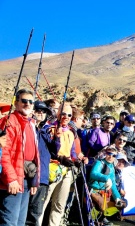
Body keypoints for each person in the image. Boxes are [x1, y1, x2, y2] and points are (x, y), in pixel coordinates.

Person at [0, 89, 40, 226]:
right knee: (9, 220)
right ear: (16, 103)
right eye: (24, 101)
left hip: (27, 179)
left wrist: (35, 180)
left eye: (31, 102)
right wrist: (11, 179)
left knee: (20, 222)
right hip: (14, 179)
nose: (27, 104)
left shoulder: (31, 124)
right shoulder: (9, 121)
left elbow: (35, 155)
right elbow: (4, 153)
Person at [39, 103, 79, 226]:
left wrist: (76, 160)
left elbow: (72, 151)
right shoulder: (49, 129)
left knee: (59, 204)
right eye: (63, 114)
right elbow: (49, 151)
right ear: (58, 114)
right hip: (52, 169)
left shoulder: (71, 132)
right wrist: (56, 138)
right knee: (43, 203)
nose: (66, 117)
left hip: (66, 171)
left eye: (69, 115)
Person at [26, 101, 53, 226]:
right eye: (38, 110)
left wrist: (57, 138)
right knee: (25, 214)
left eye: (44, 112)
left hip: (42, 179)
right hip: (30, 178)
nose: (41, 113)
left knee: (35, 214)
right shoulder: (29, 129)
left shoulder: (45, 132)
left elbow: (54, 151)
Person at [89, 147, 124, 226]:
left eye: (113, 155)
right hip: (94, 190)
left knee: (122, 203)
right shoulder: (99, 162)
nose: (111, 157)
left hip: (105, 192)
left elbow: (113, 185)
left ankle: (102, 218)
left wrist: (117, 198)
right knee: (102, 204)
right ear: (105, 154)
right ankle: (93, 219)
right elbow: (93, 173)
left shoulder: (112, 167)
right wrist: (106, 178)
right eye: (109, 154)